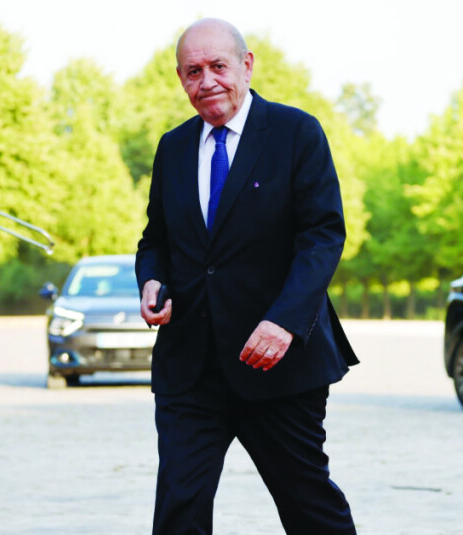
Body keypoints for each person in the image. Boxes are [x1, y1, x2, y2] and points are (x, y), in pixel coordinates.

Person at [136, 19, 359, 534]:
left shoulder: (296, 133)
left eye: (218, 66)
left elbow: (322, 236)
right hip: (190, 368)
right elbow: (156, 241)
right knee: (178, 511)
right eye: (193, 71)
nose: (207, 81)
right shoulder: (172, 148)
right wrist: (151, 280)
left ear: (247, 65)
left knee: (309, 507)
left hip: (277, 363)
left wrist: (284, 321)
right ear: (180, 78)